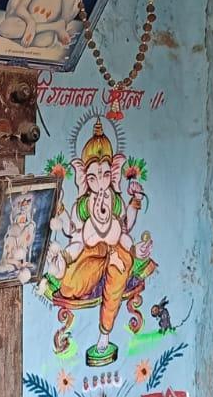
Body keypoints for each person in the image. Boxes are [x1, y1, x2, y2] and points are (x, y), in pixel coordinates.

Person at [51, 118, 147, 363]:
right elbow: (76, 236)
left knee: (119, 270)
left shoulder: (114, 201)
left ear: (112, 173)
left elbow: (125, 228)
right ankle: (62, 266)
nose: (100, 181)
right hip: (90, 254)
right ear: (85, 177)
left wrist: (137, 248)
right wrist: (66, 255)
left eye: (106, 174)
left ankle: (104, 337)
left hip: (115, 251)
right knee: (70, 285)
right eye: (94, 176)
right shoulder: (83, 205)